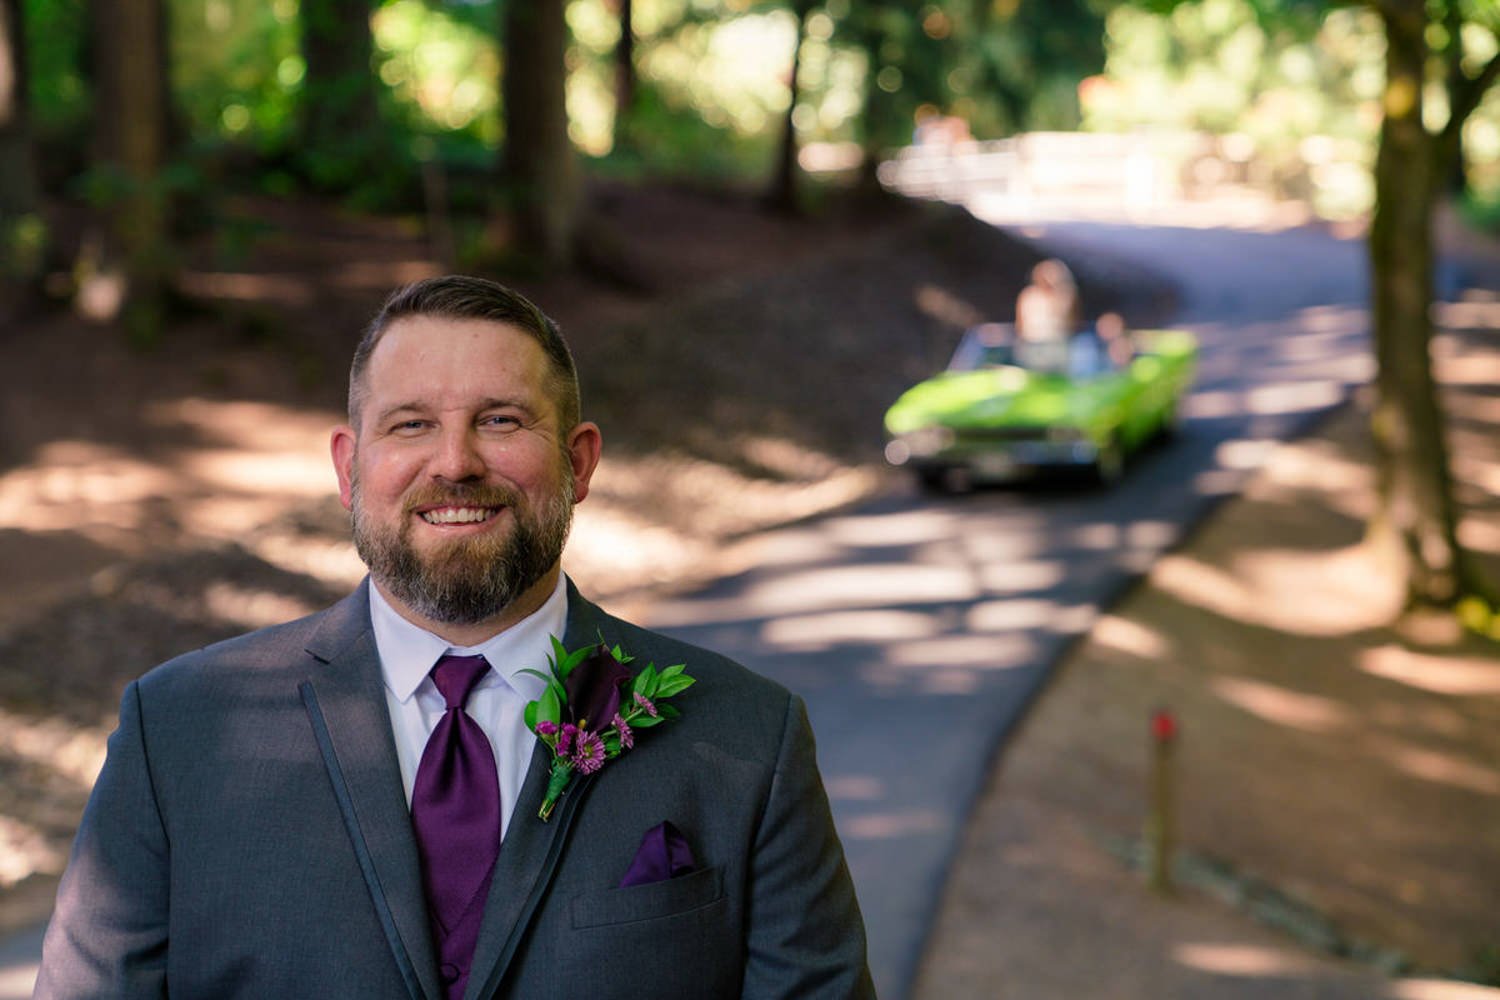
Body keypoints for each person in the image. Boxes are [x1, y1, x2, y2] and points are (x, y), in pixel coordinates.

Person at [35, 276, 874, 1000]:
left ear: (579, 464)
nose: (455, 463)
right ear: (348, 467)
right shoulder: (178, 734)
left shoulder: (748, 742)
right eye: (409, 425)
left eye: (501, 420)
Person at [1013, 258, 1080, 374]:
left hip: (1056, 343)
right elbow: (1020, 321)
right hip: (1032, 342)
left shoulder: (1065, 295)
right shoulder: (1028, 295)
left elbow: (1072, 319)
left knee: (1056, 375)